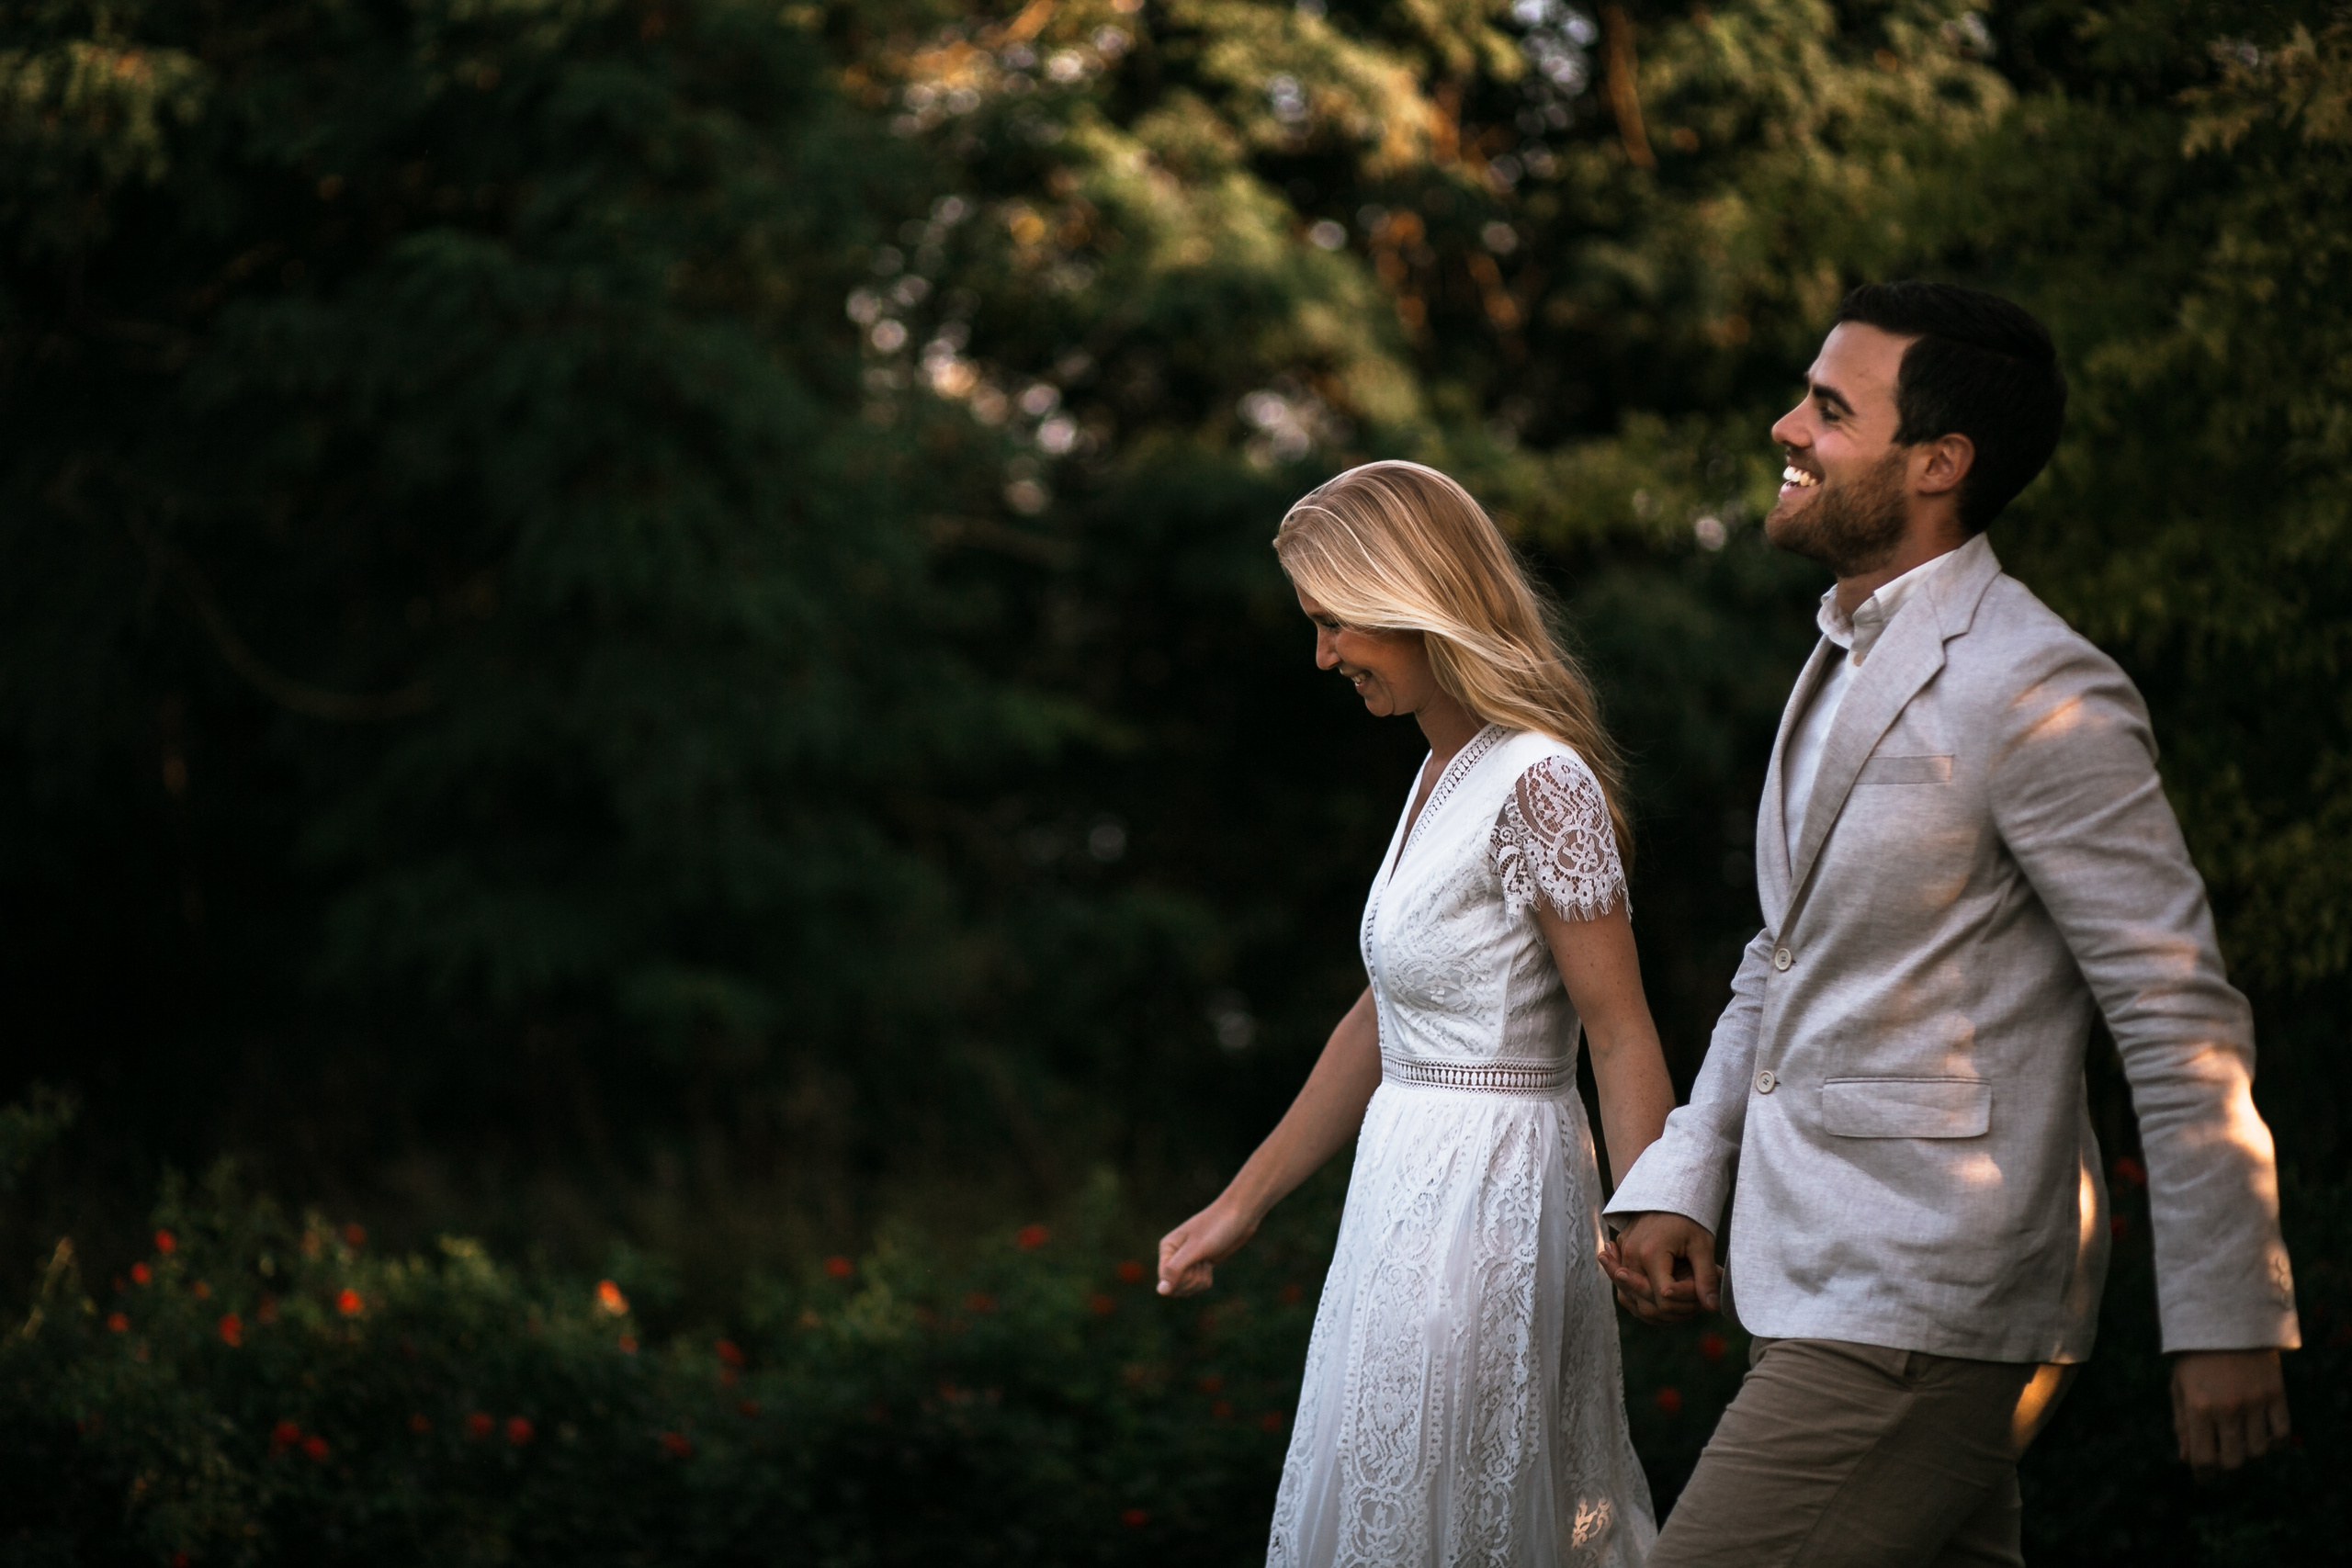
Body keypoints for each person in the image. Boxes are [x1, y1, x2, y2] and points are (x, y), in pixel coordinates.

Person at [1603, 281, 2301, 1567]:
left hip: (1921, 1294)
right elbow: (1784, 952)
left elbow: (2172, 1002)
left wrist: (2225, 1308)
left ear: (1939, 462)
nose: (1784, 427)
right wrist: (1683, 1173)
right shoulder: (1839, 656)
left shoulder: (2035, 684)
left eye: (1828, 407)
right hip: (1830, 1269)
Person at [1156, 460, 1676, 1568]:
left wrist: (1648, 1212)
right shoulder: (1442, 765)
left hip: (1492, 1206)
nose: (1323, 655)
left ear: (1415, 597)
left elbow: (1619, 1025)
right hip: (1399, 1197)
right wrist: (1239, 1207)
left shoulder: (1539, 779)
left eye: (1337, 623)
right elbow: (1382, 1018)